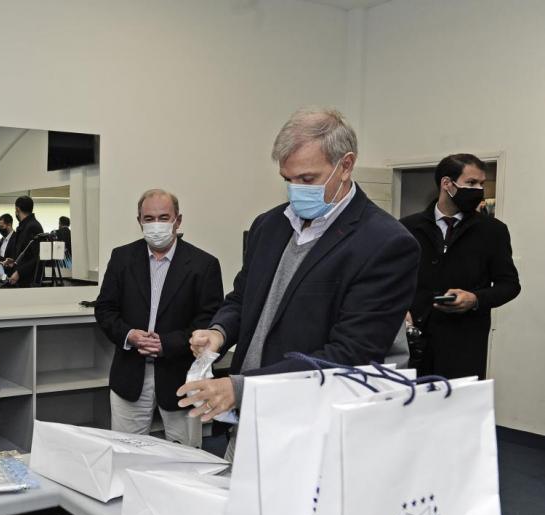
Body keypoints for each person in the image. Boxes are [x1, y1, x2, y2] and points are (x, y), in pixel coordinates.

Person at [178, 108, 420, 462]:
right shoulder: (269, 225)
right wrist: (219, 332)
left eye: (308, 179)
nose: (296, 191)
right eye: (288, 179)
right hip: (250, 420)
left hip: (316, 431)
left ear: (346, 165)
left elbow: (350, 356)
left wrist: (241, 388)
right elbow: (244, 298)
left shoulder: (385, 243)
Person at [95, 189, 223, 447]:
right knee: (125, 451)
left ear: (178, 220)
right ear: (139, 221)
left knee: (184, 457)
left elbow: (209, 321)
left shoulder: (203, 264)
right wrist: (129, 335)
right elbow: (105, 309)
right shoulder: (122, 258)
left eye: (164, 217)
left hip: (180, 374)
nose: (156, 225)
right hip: (129, 374)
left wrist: (168, 343)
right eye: (149, 218)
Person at [400, 154, 520, 379]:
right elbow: (392, 280)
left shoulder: (492, 231)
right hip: (414, 342)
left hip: (464, 345)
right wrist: (401, 308)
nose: (478, 190)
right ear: (447, 184)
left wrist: (475, 299)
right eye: (471, 183)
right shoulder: (407, 227)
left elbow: (510, 285)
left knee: (459, 410)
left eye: (481, 184)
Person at [3, 195, 43, 287]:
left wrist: (19, 272)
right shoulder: (24, 226)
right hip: (21, 280)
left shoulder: (33, 227)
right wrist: (14, 261)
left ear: (17, 209)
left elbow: (37, 257)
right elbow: (25, 253)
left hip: (28, 282)